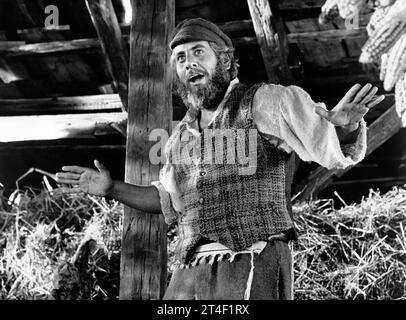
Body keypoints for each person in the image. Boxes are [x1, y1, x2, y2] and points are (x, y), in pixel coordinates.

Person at [56, 18, 385, 300]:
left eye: (199, 52)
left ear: (225, 61)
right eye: (181, 58)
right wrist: (111, 187)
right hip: (190, 270)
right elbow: (166, 198)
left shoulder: (264, 102)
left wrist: (344, 127)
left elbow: (318, 139)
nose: (189, 63)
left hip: (250, 258)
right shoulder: (179, 139)